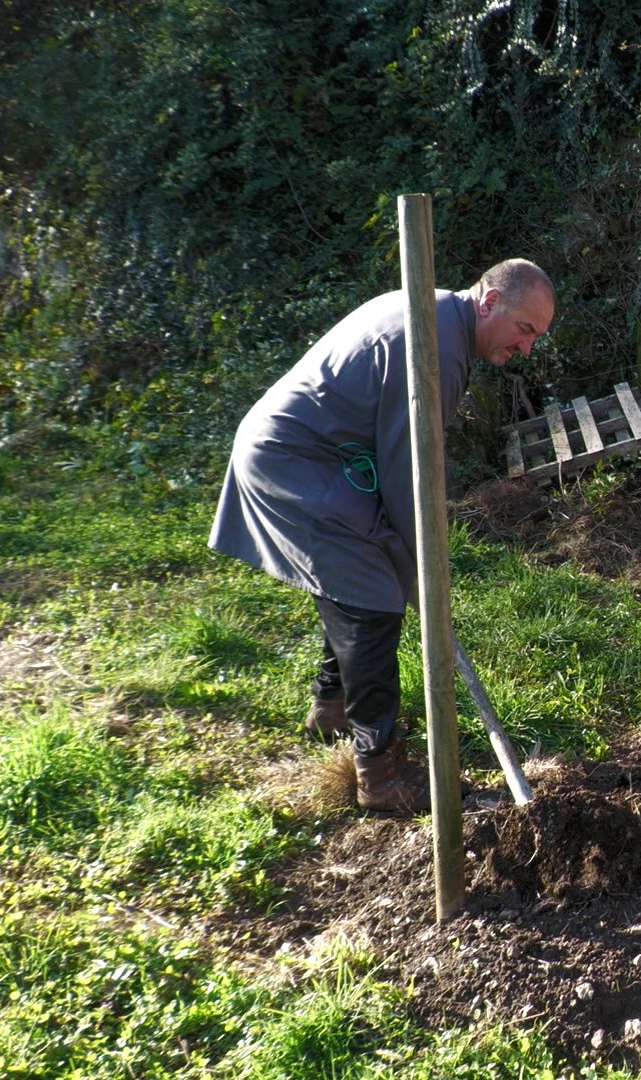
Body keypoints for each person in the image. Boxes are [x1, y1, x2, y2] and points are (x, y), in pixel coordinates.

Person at [209, 260, 554, 812]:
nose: (527, 348)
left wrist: (412, 555)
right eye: (525, 330)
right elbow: (408, 470)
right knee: (369, 594)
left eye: (536, 337)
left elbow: (404, 464)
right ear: (489, 302)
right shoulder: (434, 343)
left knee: (370, 575)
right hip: (295, 461)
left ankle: (334, 706)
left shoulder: (441, 317)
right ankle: (380, 773)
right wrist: (426, 564)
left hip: (317, 456)